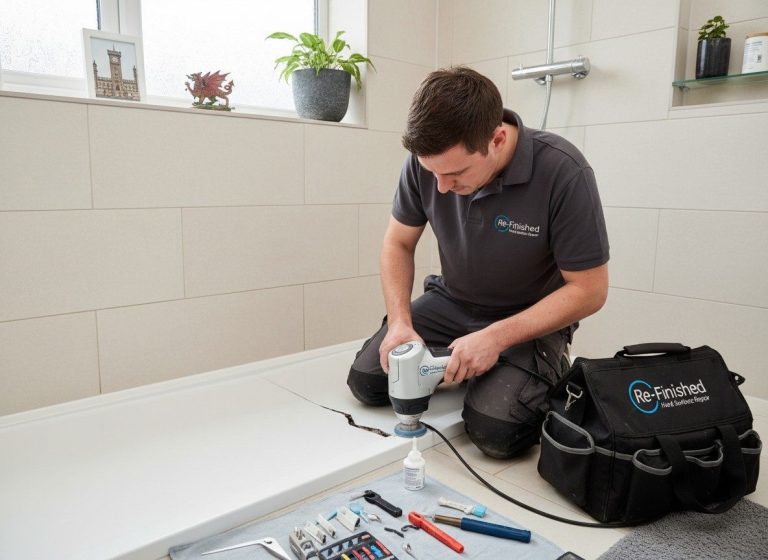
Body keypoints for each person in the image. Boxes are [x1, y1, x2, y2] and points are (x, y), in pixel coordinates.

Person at [347, 66, 609, 459]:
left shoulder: (563, 171)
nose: (441, 187)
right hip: (451, 302)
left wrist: (496, 338)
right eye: (431, 172)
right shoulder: (430, 164)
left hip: (527, 320)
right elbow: (398, 243)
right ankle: (473, 365)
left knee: (496, 432)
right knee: (368, 383)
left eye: (454, 173)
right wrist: (400, 323)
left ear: (497, 138)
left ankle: (529, 367)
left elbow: (590, 291)